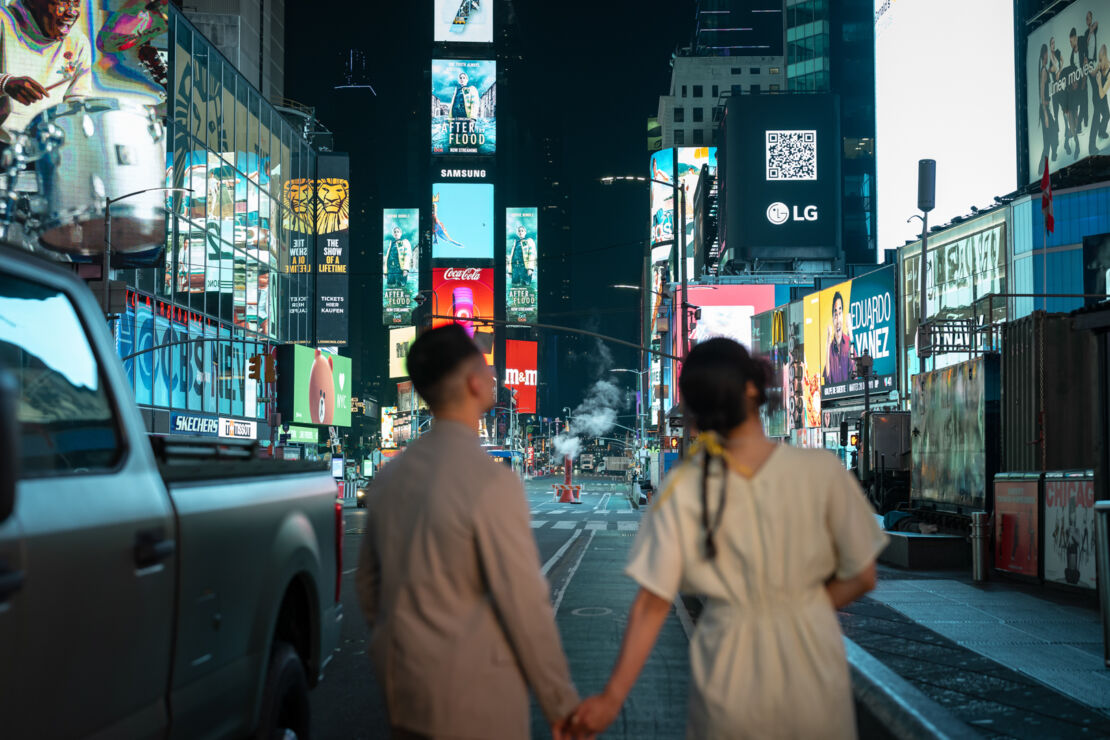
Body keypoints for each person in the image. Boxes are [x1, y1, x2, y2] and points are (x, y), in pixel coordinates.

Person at [569, 338, 887, 738]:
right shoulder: (821, 472)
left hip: (729, 681)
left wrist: (610, 700)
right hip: (814, 677)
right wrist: (801, 608)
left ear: (695, 412)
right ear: (753, 387)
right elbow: (863, 575)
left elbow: (651, 606)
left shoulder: (684, 488)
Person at [356, 325, 581, 740]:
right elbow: (525, 605)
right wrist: (562, 705)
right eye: (485, 365)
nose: (494, 375)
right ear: (473, 381)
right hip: (478, 699)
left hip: (405, 692)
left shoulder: (388, 480)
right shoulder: (491, 482)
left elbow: (370, 589)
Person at [0, 0, 91, 137]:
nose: (72, 11)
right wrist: (4, 83)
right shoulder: (3, 21)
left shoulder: (78, 42)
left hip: (43, 143)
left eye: (76, 3)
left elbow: (77, 101)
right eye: (63, 2)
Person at [823, 290, 853, 385]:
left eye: (840, 313)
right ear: (832, 318)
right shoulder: (830, 348)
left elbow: (854, 370)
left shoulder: (849, 342)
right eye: (835, 314)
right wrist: (827, 343)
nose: (837, 319)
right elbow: (827, 378)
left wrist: (850, 331)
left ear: (843, 316)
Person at [1089, 44, 1110, 156]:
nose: (1099, 63)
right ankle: (1091, 147)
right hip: (1096, 97)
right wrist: (1089, 68)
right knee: (1096, 119)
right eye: (1099, 60)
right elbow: (1092, 73)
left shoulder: (1109, 72)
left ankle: (1101, 132)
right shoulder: (1100, 64)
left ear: (1105, 57)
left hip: (1101, 94)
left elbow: (1102, 94)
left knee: (1106, 115)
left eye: (1101, 60)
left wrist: (1099, 82)